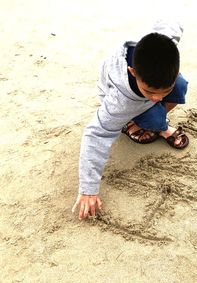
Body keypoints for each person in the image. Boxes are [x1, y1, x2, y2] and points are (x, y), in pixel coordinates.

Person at [72, 20, 189, 220]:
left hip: (138, 93)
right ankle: (142, 123)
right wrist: (88, 189)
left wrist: (162, 90)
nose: (158, 98)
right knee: (152, 116)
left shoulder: (163, 40)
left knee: (180, 86)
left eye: (164, 91)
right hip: (118, 95)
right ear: (133, 73)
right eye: (150, 91)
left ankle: (156, 118)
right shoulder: (120, 101)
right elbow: (96, 134)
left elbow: (172, 23)